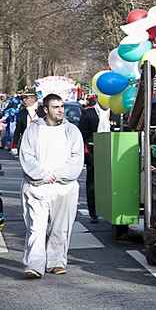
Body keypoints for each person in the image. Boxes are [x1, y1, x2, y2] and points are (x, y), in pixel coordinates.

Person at [19, 93, 84, 279]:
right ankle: (35, 264)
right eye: (56, 107)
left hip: (64, 187)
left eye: (62, 106)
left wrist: (60, 175)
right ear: (46, 109)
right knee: (36, 229)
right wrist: (41, 175)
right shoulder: (34, 130)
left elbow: (76, 157)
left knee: (60, 228)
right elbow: (27, 155)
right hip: (38, 187)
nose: (60, 110)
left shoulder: (72, 131)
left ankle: (56, 262)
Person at [78, 96, 100, 223]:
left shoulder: (116, 113)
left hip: (113, 152)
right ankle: (93, 212)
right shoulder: (88, 113)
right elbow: (82, 135)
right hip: (93, 152)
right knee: (92, 182)